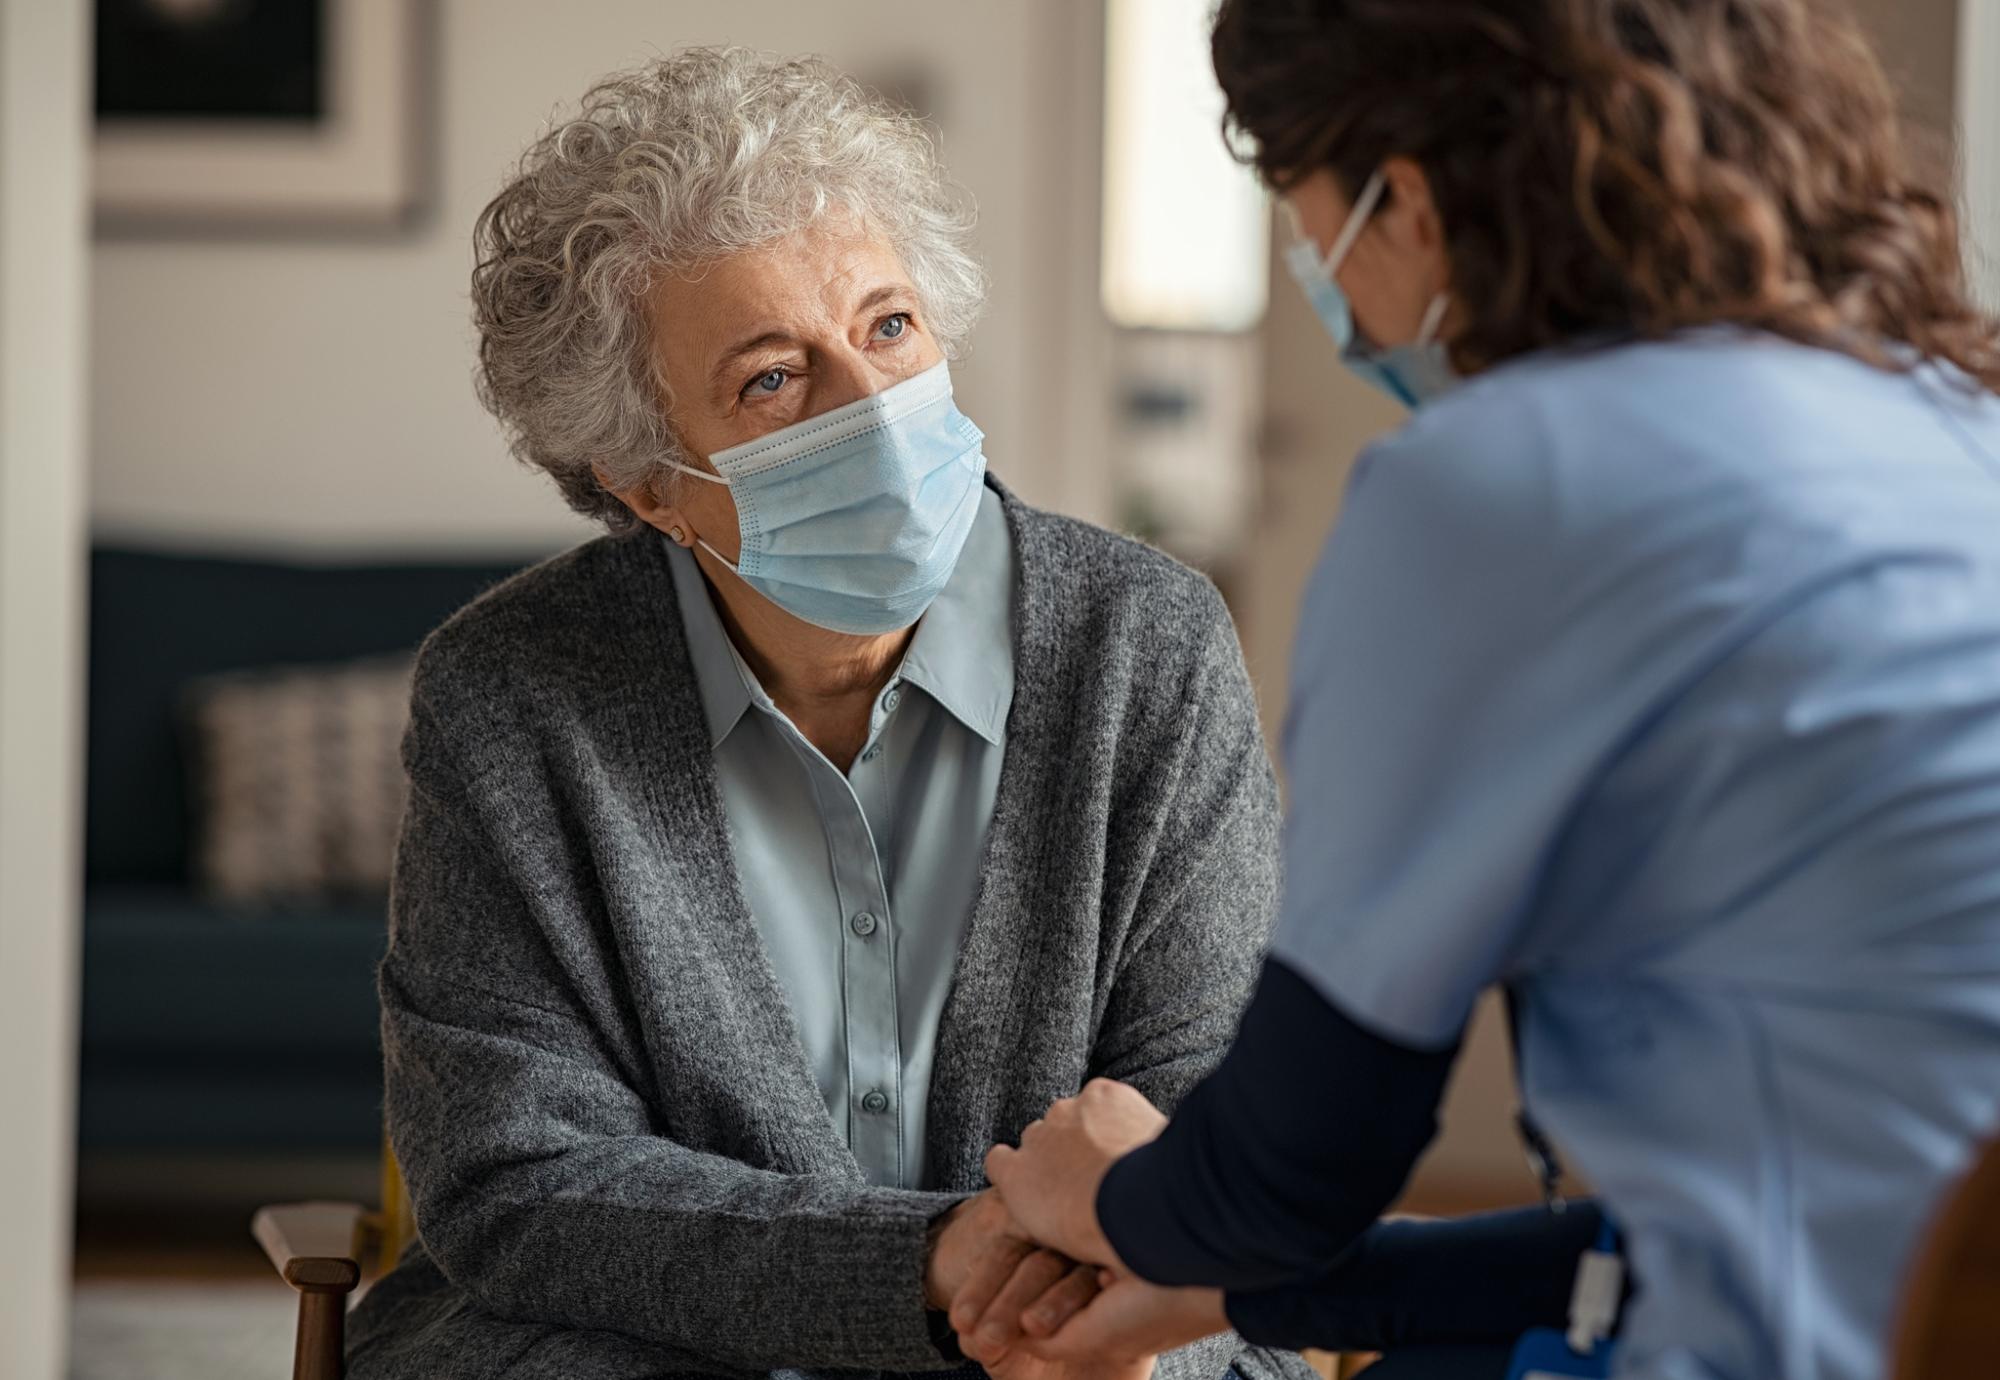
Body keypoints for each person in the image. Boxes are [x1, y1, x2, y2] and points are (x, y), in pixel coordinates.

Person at [959, 2, 2000, 1379]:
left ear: (1406, 194)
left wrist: (1103, 1193)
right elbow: (1711, 1239)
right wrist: (1234, 1292)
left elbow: (1288, 1173)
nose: (1325, 283)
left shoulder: (1502, 484)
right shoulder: (1945, 420)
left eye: (1306, 211)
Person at [342, 47, 1321, 1380]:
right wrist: (922, 1269)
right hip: (651, 1348)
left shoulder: (1148, 647)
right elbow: (520, 1174)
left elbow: (1211, 1091)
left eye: (888, 326)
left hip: (1096, 1337)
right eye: (770, 380)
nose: (874, 409)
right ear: (645, 484)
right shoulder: (511, 693)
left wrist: (1053, 1308)